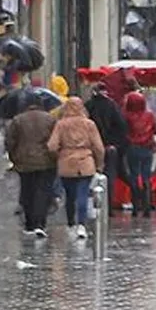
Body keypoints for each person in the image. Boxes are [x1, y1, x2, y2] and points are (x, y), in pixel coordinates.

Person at [47, 98, 105, 240]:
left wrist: (58, 155)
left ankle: (71, 223)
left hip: (66, 163)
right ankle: (81, 224)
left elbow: (52, 146)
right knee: (83, 193)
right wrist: (99, 163)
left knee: (70, 195)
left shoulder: (61, 124)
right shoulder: (89, 124)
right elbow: (99, 147)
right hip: (85, 162)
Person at [5, 96, 58, 237]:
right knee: (43, 192)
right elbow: (55, 140)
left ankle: (29, 224)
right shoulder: (50, 119)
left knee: (27, 191)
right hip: (46, 161)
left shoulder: (18, 120)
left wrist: (13, 158)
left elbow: (10, 141)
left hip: (24, 162)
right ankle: (40, 223)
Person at [85, 83, 129, 209]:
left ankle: (94, 205)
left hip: (91, 147)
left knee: (91, 176)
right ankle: (108, 207)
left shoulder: (88, 106)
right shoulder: (112, 106)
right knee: (109, 176)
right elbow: (122, 126)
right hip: (109, 147)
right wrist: (116, 144)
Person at [123, 91, 156, 217]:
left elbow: (123, 130)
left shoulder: (126, 116)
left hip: (132, 149)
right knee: (146, 176)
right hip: (147, 148)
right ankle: (147, 205)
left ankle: (135, 205)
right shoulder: (149, 115)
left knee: (134, 176)